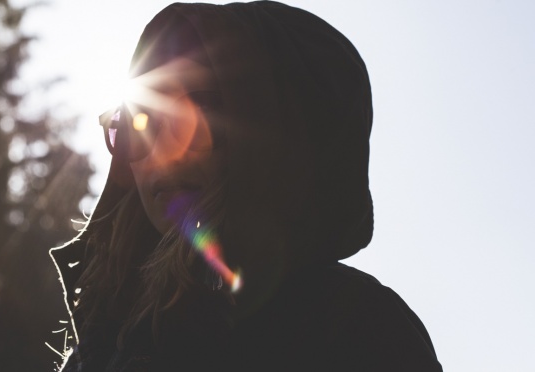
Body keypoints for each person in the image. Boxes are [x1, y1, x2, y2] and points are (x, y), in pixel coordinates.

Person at [51, 1, 443, 371]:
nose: (162, 152)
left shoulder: (356, 330)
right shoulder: (105, 343)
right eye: (138, 123)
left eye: (198, 115)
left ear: (286, 135)